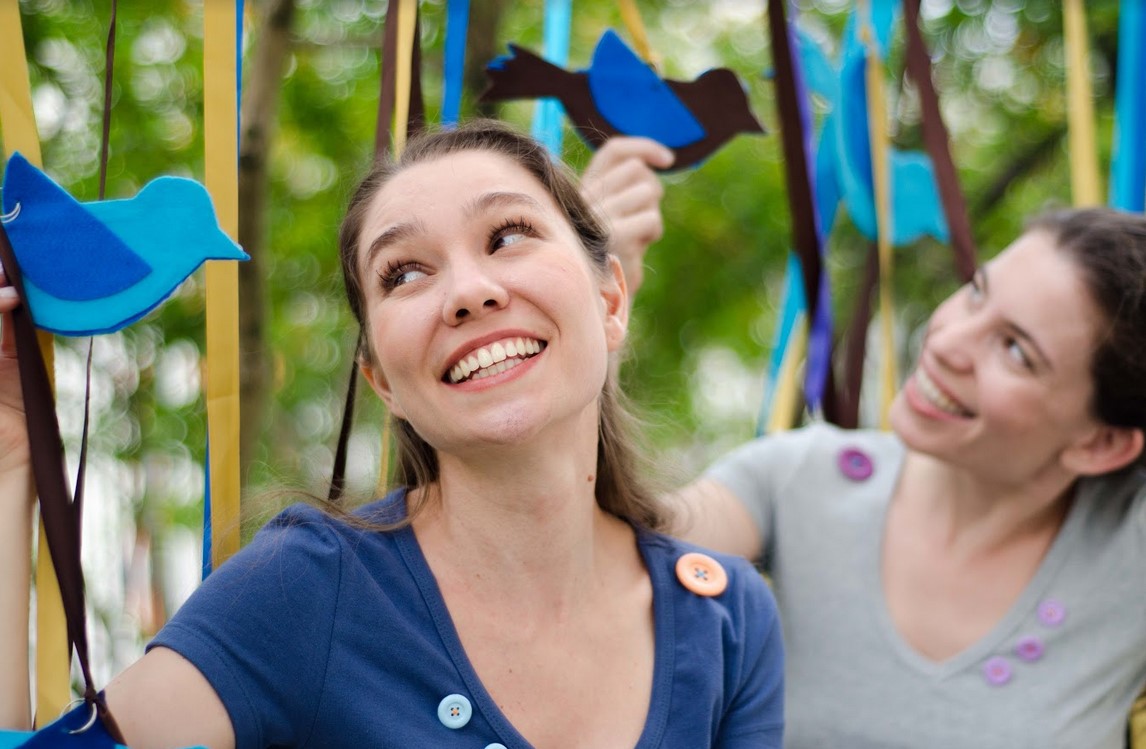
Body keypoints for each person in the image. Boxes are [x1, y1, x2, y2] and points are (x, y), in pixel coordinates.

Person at [0, 121, 784, 748]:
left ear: (612, 300)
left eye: (507, 235)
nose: (470, 292)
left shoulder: (726, 618)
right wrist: (8, 468)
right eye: (405, 272)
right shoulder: (309, 588)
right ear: (383, 380)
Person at [633, 204, 1146, 748]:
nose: (947, 342)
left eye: (1015, 350)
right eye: (976, 290)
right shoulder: (801, 478)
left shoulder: (1128, 553)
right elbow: (615, 552)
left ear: (1101, 443)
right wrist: (589, 289)